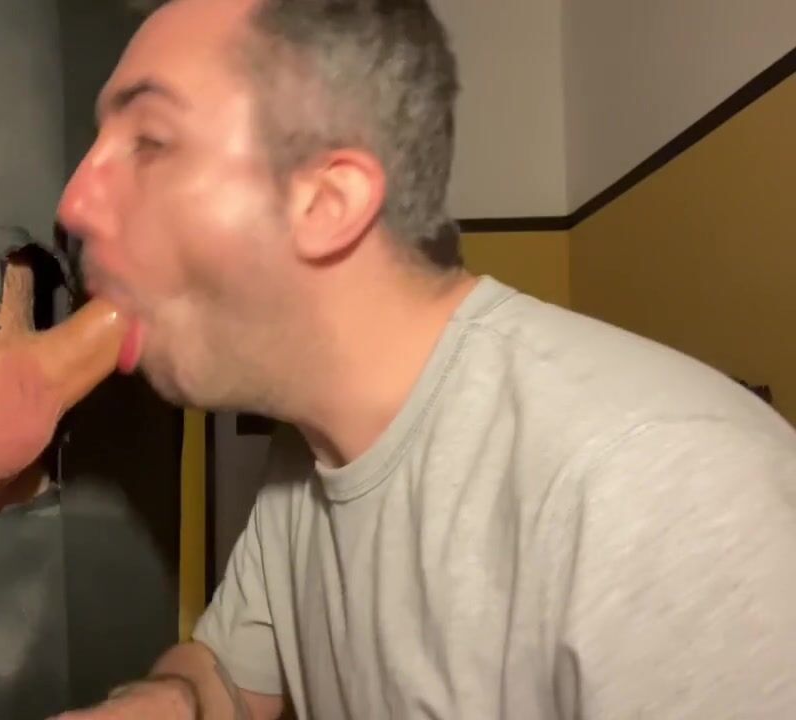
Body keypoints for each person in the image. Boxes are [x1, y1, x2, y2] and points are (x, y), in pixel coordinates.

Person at [51, 0, 796, 717]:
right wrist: (169, 703)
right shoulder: (306, 449)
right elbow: (229, 676)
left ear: (327, 202)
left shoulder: (661, 485)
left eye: (150, 141)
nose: (75, 203)